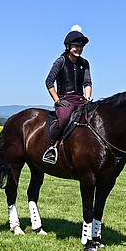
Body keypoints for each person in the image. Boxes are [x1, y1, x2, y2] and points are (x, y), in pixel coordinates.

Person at [42, 26, 92, 164]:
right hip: (65, 99)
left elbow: (87, 82)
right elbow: (49, 82)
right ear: (68, 46)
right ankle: (51, 147)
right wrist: (57, 100)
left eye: (81, 47)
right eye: (76, 46)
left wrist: (87, 98)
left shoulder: (85, 63)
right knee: (64, 118)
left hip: (81, 99)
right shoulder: (61, 61)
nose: (79, 49)